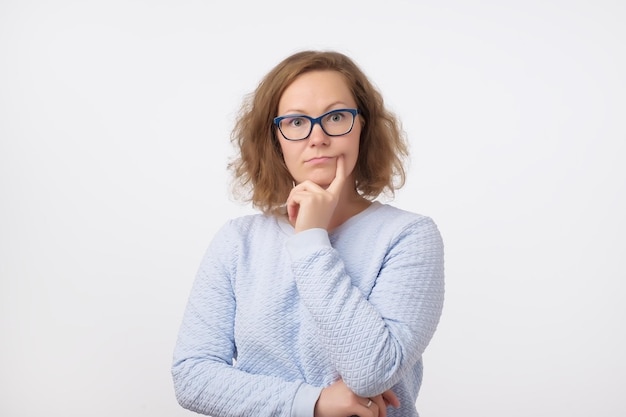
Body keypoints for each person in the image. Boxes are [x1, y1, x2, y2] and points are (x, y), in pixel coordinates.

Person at [171, 49, 445, 417]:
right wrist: (314, 402)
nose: (317, 137)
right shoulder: (238, 241)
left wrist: (311, 240)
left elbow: (373, 372)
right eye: (297, 122)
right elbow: (192, 376)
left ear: (363, 126)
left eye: (335, 117)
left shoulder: (409, 236)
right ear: (275, 138)